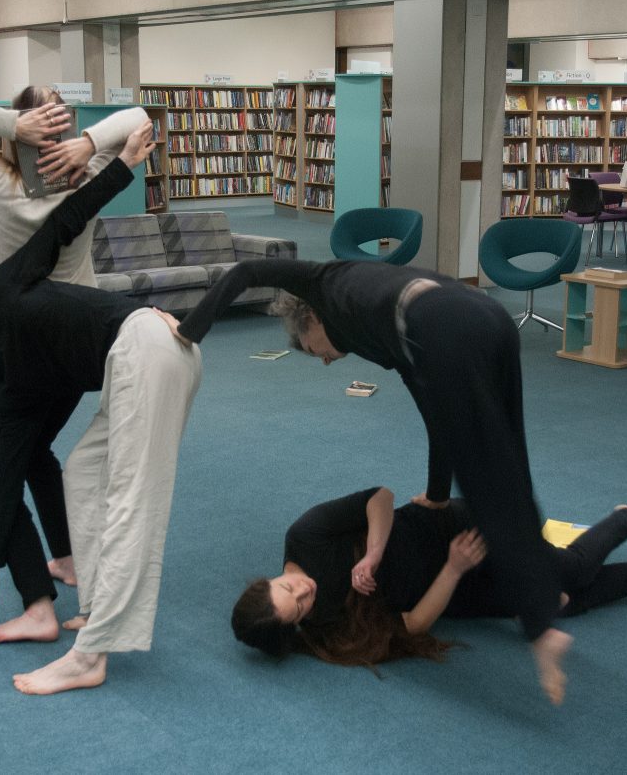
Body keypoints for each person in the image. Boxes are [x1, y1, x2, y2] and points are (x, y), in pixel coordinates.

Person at [168, 259, 572, 705]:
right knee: (509, 457)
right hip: (488, 317)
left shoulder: (317, 282)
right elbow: (432, 409)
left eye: (308, 347)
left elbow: (244, 272)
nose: (319, 358)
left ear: (309, 317)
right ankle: (539, 588)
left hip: (443, 325)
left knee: (481, 476)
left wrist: (188, 332)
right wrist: (437, 495)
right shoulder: (379, 335)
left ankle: (540, 625)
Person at [0, 122, 202, 695]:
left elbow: (63, 224)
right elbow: (1, 480)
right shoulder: (18, 392)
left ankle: (90, 657)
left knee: (128, 504)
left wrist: (121, 164)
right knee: (83, 472)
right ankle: (94, 606)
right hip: (141, 362)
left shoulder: (2, 289)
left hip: (147, 343)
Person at [0, 89, 150, 644]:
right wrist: (90, 145)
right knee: (34, 456)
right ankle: (68, 562)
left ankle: (38, 602)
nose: (52, 142)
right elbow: (140, 118)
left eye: (58, 128)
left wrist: (15, 126)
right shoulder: (82, 172)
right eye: (45, 127)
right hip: (67, 350)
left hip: (15, 345)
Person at [232, 487, 627, 670]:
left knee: (569, 570)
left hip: (456, 525)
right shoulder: (323, 622)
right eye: (295, 609)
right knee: (556, 603)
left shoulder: (306, 537)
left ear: (266, 582)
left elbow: (378, 498)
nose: (303, 594)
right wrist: (452, 570)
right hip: (456, 577)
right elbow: (412, 625)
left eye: (286, 590)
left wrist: (374, 553)